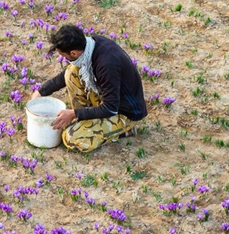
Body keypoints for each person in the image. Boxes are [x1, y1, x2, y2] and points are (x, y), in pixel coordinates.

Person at [31, 25, 147, 153]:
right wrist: (41, 92)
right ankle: (85, 121)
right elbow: (65, 76)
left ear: (73, 53)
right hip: (106, 99)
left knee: (72, 138)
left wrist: (74, 114)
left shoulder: (106, 64)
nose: (65, 59)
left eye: (64, 55)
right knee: (71, 72)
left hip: (123, 112)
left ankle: (125, 129)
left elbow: (110, 108)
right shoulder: (89, 46)